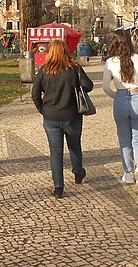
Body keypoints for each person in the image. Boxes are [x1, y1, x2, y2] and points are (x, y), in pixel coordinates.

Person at [31, 39, 93, 199]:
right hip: (72, 115)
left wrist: (42, 110)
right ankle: (78, 172)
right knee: (74, 146)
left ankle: (58, 186)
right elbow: (89, 86)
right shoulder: (74, 69)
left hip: (51, 116)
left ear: (50, 53)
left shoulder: (44, 71)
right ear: (66, 51)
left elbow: (35, 94)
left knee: (55, 152)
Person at [102, 29, 138, 187]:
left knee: (124, 139)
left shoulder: (110, 62)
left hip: (120, 98)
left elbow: (105, 87)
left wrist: (117, 97)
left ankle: (128, 173)